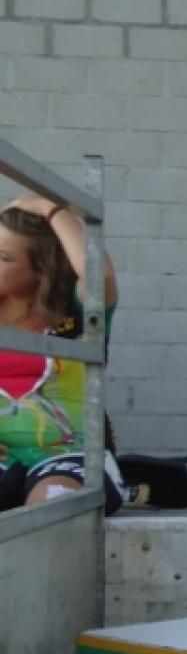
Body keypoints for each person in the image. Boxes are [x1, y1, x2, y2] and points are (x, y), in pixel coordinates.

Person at [0, 192, 128, 513]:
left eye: (3, 256)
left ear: (41, 269)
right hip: (4, 458)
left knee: (54, 501)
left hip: (67, 455)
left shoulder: (76, 312)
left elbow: (99, 277)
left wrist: (49, 208)